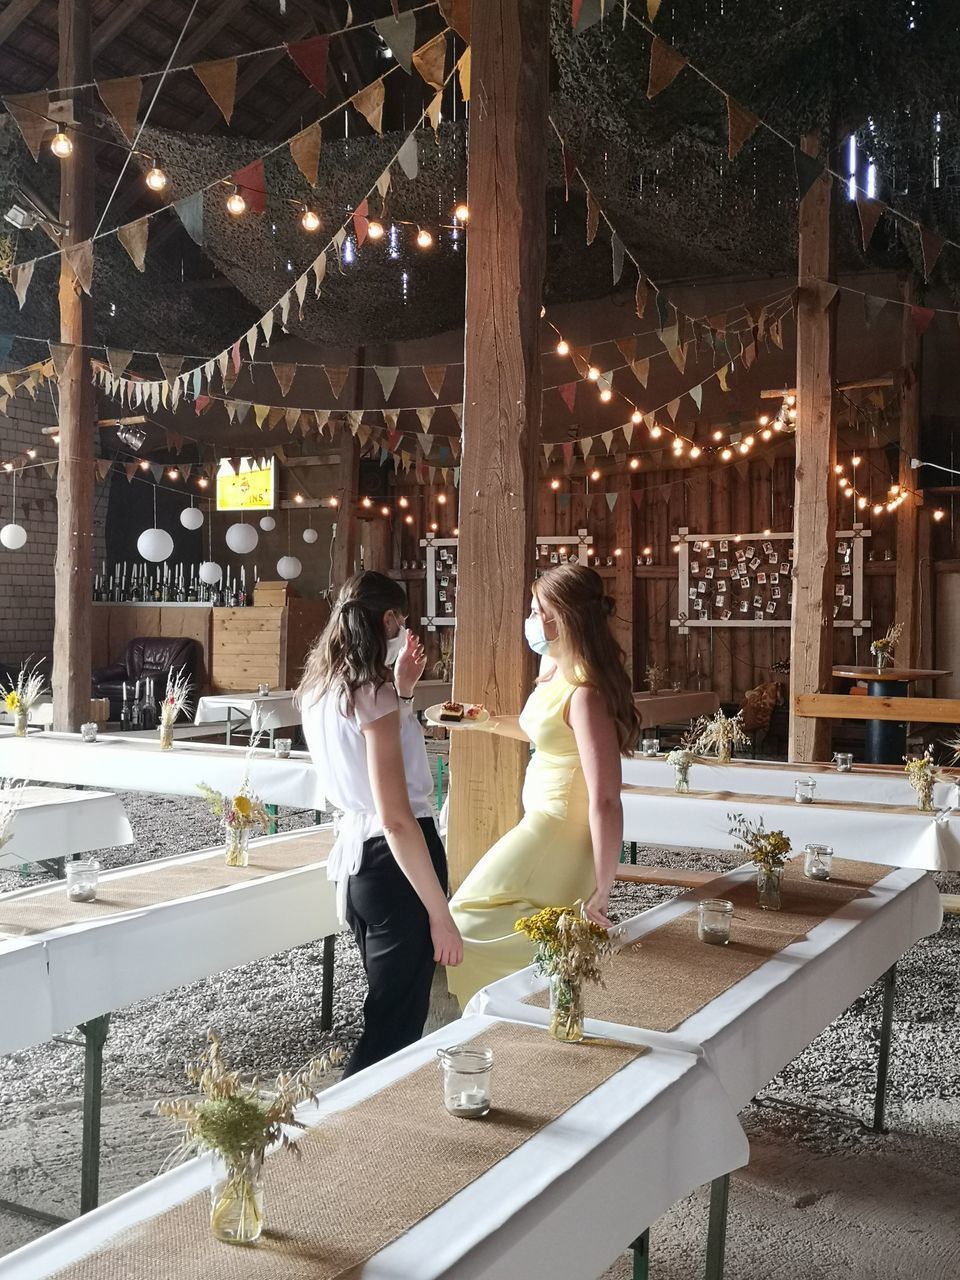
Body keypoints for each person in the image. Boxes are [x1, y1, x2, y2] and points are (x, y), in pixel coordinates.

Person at [446, 562, 641, 1009]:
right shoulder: (553, 668)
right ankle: (553, 985)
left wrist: (605, 885)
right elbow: (543, 730)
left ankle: (568, 962)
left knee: (468, 913)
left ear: (563, 617)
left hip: (559, 827)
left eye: (537, 611)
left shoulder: (586, 692)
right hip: (541, 820)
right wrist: (486, 723)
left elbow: (607, 798)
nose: (530, 620)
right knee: (528, 917)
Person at [299, 571, 462, 1075]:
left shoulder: (320, 688)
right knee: (392, 1029)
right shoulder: (371, 694)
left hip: (358, 867)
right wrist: (440, 911)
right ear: (389, 620)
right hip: (396, 866)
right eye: (402, 620)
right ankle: (348, 1134)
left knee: (388, 1009)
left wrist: (404, 692)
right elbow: (395, 818)